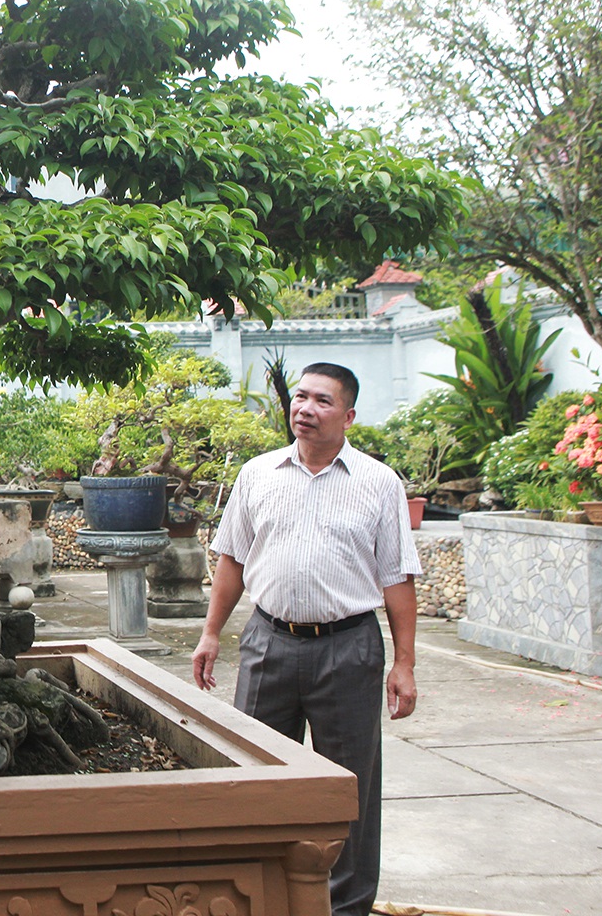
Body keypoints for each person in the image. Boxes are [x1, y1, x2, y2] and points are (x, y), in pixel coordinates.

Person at [191, 362, 418, 916]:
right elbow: (232, 560)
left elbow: (397, 578)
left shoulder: (378, 483)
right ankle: (259, 896)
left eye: (321, 400)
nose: (305, 409)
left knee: (348, 784)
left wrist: (405, 663)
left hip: (349, 648)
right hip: (268, 641)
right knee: (254, 773)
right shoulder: (258, 474)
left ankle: (345, 906)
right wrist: (210, 633)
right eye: (300, 397)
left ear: (349, 416)